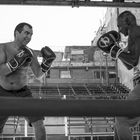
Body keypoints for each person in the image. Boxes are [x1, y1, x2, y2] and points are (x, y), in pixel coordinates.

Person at [0, 22, 56, 140]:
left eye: (31, 34)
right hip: (2, 92)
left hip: (23, 93)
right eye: (26, 33)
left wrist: (47, 63)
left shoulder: (30, 53)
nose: (29, 37)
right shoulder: (3, 48)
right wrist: (17, 60)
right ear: (17, 33)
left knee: (39, 124)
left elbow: (38, 74)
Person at [97, 11, 140, 140]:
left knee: (121, 117)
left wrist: (114, 50)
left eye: (119, 26)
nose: (119, 30)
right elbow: (129, 65)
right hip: (138, 84)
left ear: (127, 22)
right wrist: (115, 51)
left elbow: (132, 60)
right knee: (119, 118)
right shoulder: (134, 36)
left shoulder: (135, 31)